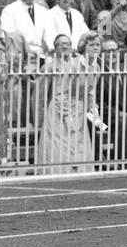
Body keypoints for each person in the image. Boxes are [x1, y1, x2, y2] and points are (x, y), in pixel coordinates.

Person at [36, 33, 95, 173]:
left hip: (77, 110)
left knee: (78, 144)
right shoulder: (48, 68)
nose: (64, 46)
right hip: (56, 112)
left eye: (67, 43)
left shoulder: (79, 65)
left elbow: (88, 90)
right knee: (58, 146)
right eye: (60, 44)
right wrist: (38, 119)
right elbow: (39, 96)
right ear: (55, 48)